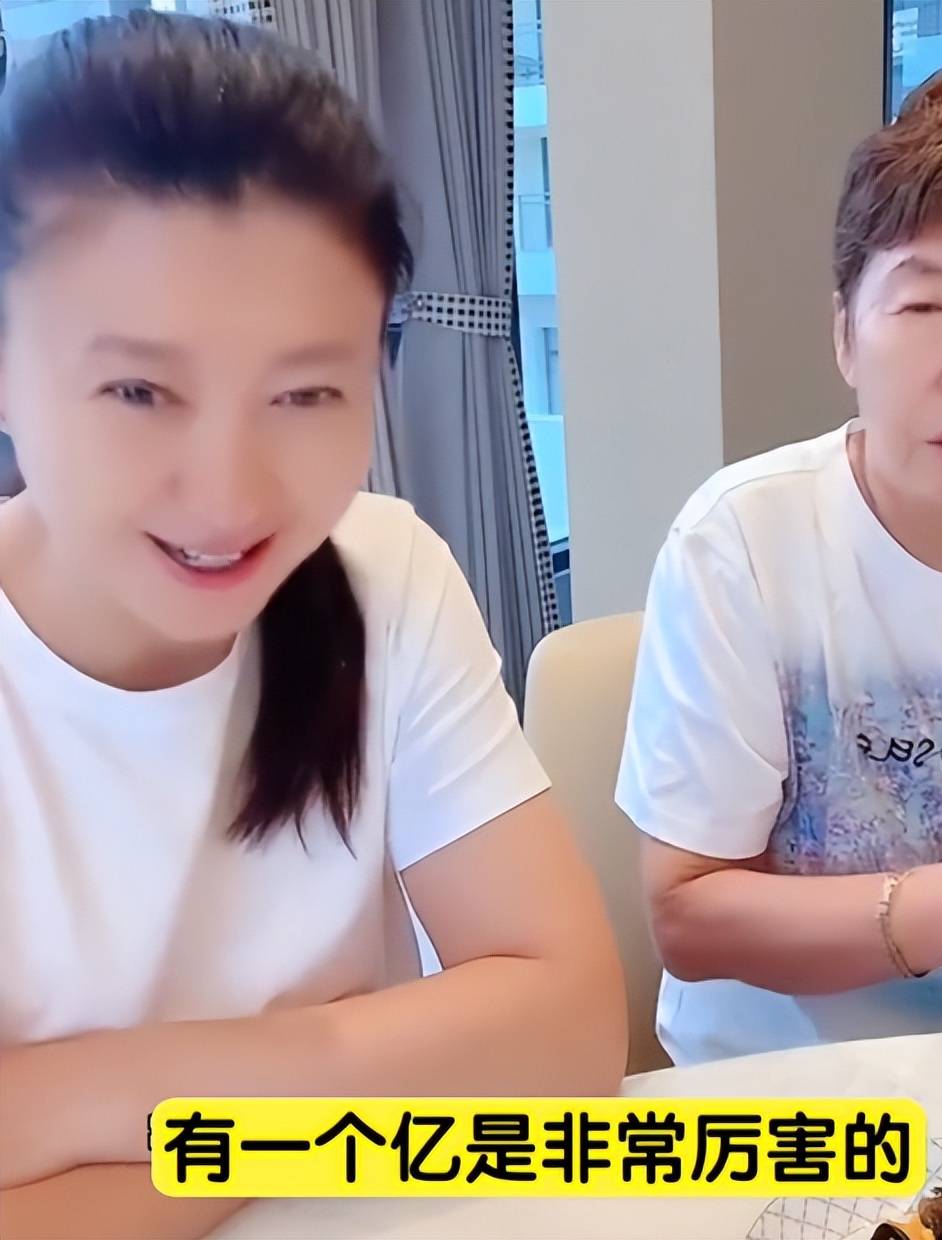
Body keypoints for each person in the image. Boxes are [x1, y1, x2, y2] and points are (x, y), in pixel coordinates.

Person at [0, 12, 627, 1238]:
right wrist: (331, 1102)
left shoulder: (383, 572)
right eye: (139, 389)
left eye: (303, 392)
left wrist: (68, 1099)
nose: (228, 492)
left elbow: (567, 1032)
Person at [616, 64, 942, 1067]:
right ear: (845, 336)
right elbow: (689, 914)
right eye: (923, 306)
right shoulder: (745, 541)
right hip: (783, 1096)